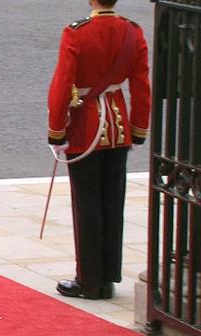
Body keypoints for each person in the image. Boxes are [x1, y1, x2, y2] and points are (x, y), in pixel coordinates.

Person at [47, 0, 151, 300]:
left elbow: (62, 84)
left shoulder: (76, 32)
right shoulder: (132, 31)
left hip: (86, 128)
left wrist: (57, 130)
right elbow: (141, 85)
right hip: (118, 128)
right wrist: (138, 128)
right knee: (112, 204)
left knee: (87, 206)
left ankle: (89, 280)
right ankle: (108, 278)